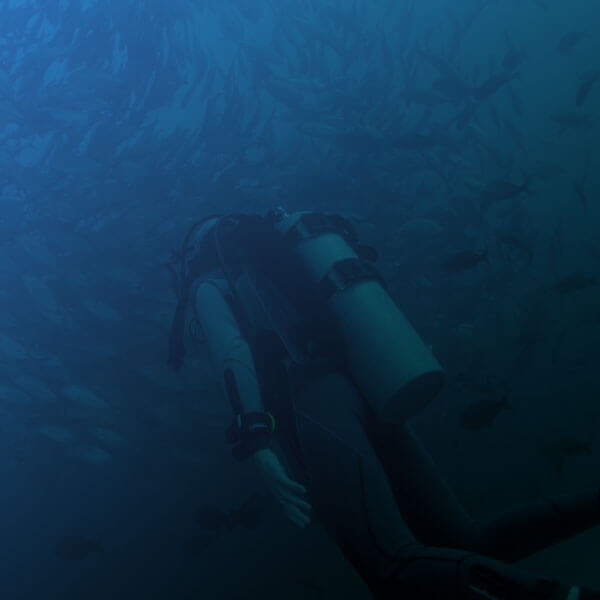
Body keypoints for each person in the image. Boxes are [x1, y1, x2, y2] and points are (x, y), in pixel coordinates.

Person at [167, 208, 600, 600]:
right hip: (365, 386)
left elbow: (232, 354)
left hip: (314, 405)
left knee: (389, 564)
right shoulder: (278, 269)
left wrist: (258, 442)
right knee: (464, 541)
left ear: (193, 256)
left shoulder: (209, 286)